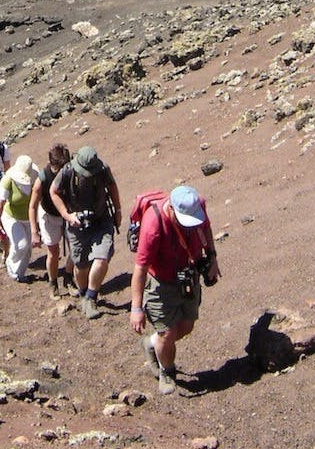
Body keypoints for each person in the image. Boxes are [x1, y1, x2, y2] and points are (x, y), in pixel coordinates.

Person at [128, 185, 221, 395]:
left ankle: (152, 343)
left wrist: (212, 257)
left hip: (188, 274)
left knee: (186, 326)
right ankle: (167, 371)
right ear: (172, 210)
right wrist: (136, 308)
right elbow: (140, 268)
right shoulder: (153, 224)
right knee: (168, 333)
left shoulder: (198, 204)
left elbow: (205, 227)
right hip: (160, 281)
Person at [49, 146, 122, 320]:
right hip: (77, 225)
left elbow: (112, 187)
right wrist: (67, 215)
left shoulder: (102, 169)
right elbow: (54, 191)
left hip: (101, 220)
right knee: (81, 265)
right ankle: (83, 294)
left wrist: (118, 210)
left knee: (102, 257)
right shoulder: (67, 172)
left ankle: (91, 297)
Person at [29, 143, 74, 299]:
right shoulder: (42, 179)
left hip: (68, 214)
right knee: (53, 252)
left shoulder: (71, 171)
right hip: (49, 215)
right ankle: (53, 282)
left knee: (75, 249)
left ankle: (69, 277)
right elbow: (33, 206)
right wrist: (34, 232)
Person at [0, 155, 38, 283]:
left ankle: (19, 274)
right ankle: (11, 263)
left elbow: (36, 202)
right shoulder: (8, 180)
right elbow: (0, 203)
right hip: (11, 217)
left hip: (28, 218)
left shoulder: (35, 179)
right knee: (21, 245)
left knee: (28, 249)